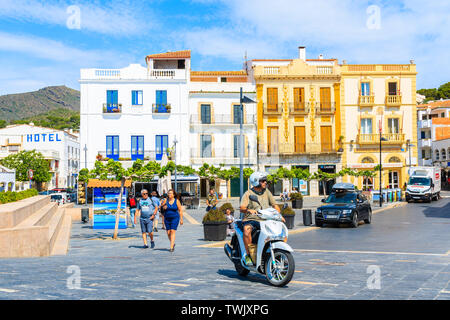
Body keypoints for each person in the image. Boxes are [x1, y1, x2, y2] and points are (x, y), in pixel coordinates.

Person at [239, 171, 284, 266]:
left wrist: (279, 215)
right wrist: (249, 210)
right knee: (247, 230)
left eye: (265, 181)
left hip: (265, 219)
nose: (265, 182)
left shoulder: (267, 192)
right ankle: (248, 255)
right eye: (262, 181)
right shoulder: (248, 193)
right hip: (252, 219)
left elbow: (274, 205)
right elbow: (242, 208)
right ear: (255, 182)